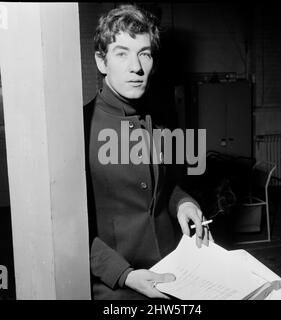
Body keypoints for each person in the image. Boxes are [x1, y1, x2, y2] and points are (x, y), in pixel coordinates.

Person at [83, 4, 212, 300]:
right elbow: (71, 232)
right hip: (116, 287)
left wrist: (183, 204)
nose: (136, 67)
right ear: (102, 62)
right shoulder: (79, 129)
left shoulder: (162, 120)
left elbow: (163, 188)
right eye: (121, 53)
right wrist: (124, 275)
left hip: (171, 272)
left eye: (144, 53)